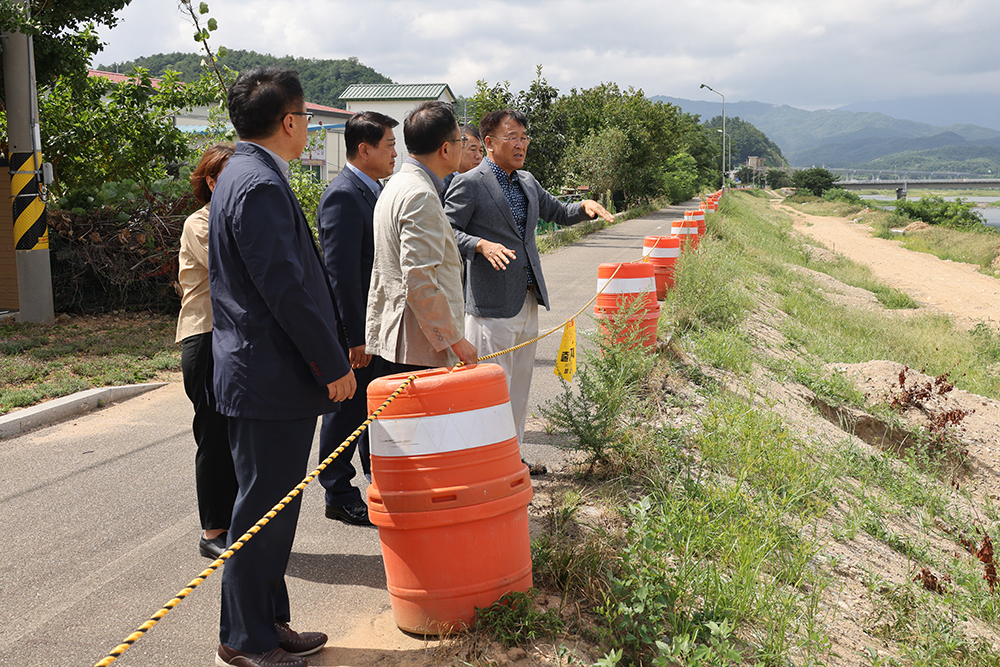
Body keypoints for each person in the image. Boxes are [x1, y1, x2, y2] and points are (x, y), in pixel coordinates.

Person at [208, 66, 355, 667]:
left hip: (261, 372)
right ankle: (246, 639)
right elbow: (285, 290)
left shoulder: (245, 174)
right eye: (308, 119)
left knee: (272, 507)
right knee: (262, 511)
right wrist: (330, 363)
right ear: (290, 121)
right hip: (270, 374)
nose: (309, 129)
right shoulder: (259, 184)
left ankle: (269, 621)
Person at [446, 109, 614, 474]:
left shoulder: (526, 180)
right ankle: (485, 464)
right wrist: (479, 245)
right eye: (512, 137)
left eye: (524, 137)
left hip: (526, 298)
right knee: (491, 388)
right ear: (489, 143)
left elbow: (558, 210)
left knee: (519, 388)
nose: (520, 144)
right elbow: (446, 230)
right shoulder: (470, 183)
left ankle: (511, 458)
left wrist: (584, 208)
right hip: (489, 305)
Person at [316, 111, 398, 527]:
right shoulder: (343, 195)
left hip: (378, 325)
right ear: (363, 149)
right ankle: (337, 490)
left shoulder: (375, 190)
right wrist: (353, 336)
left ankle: (374, 479)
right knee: (346, 410)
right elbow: (340, 274)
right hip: (358, 330)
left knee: (371, 407)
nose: (395, 154)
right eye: (388, 146)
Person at [366, 101, 478, 373]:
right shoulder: (420, 195)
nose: (463, 147)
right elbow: (419, 279)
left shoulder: (397, 185)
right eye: (461, 140)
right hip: (421, 348)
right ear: (445, 148)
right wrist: (455, 340)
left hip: (405, 338)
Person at [175, 143, 238, 560]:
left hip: (234, 339)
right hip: (206, 336)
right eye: (229, 176)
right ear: (212, 181)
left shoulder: (238, 218)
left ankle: (239, 524)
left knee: (239, 437)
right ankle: (213, 530)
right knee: (214, 436)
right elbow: (230, 267)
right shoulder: (200, 223)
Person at [442, 124, 483, 194]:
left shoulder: (483, 182)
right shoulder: (443, 184)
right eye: (473, 150)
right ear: (457, 149)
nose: (479, 156)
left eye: (481, 151)